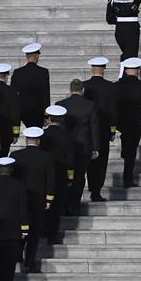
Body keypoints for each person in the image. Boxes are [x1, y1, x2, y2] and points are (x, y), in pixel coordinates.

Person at [10, 127, 55, 273]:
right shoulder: (46, 157)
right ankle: (29, 263)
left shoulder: (15, 155)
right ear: (39, 141)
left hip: (18, 198)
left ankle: (17, 255)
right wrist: (49, 199)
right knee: (34, 233)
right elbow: (50, 180)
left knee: (19, 229)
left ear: (26, 140)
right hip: (38, 199)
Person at [56, 79, 100, 215]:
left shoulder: (60, 104)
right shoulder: (90, 105)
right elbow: (94, 128)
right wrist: (95, 148)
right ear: (83, 90)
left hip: (64, 147)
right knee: (80, 177)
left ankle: (64, 205)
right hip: (83, 146)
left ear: (70, 90)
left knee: (64, 177)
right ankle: (74, 205)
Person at [82, 57, 116, 203]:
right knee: (101, 162)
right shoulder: (110, 87)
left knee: (89, 160)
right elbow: (113, 110)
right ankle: (96, 191)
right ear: (104, 69)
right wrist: (112, 130)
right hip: (103, 129)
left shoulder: (84, 85)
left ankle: (91, 185)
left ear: (91, 69)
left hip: (86, 129)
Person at [115, 57, 141, 188]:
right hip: (136, 123)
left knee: (127, 147)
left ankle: (125, 154)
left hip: (121, 122)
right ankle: (127, 178)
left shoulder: (117, 85)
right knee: (131, 152)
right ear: (138, 71)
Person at [41, 105, 74, 245]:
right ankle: (52, 235)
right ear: (61, 120)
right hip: (60, 174)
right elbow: (70, 159)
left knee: (44, 204)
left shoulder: (42, 135)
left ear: (48, 118)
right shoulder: (66, 136)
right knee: (56, 207)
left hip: (43, 175)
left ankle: (42, 230)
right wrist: (70, 177)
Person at [11, 43, 51, 130]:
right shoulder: (43, 72)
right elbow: (45, 94)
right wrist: (46, 116)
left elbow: (13, 94)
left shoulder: (18, 72)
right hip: (38, 111)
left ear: (26, 57)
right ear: (37, 56)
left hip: (23, 111)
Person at [0, 63, 21, 151]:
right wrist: (15, 133)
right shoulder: (11, 91)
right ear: (6, 76)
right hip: (5, 131)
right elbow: (15, 112)